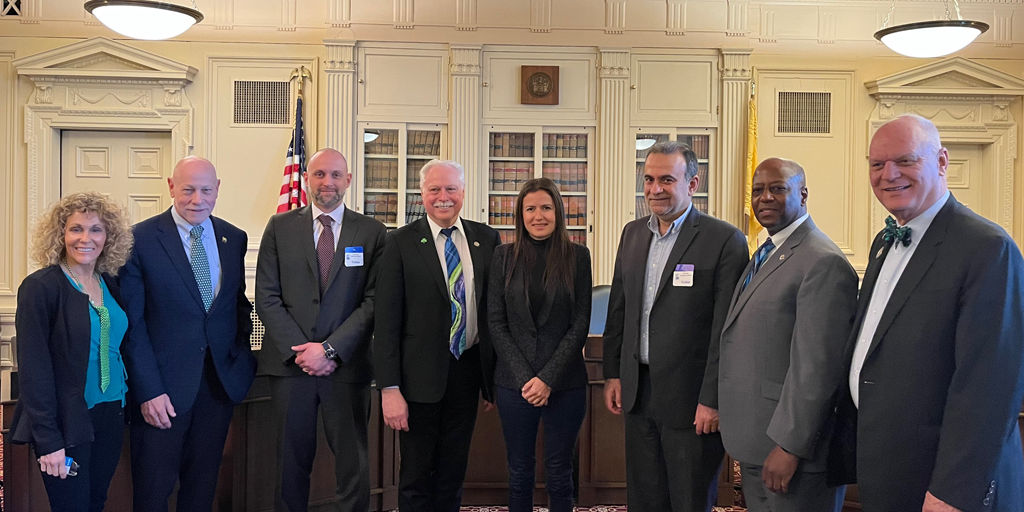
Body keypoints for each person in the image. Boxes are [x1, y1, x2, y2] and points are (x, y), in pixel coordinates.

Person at [832, 114, 1024, 511]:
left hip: (942, 481)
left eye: (905, 161)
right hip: (887, 464)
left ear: (941, 161)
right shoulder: (885, 242)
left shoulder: (987, 248)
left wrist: (952, 491)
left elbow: (990, 387)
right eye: (877, 164)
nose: (889, 174)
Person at [603, 140, 748, 512]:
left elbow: (726, 331)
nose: (655, 189)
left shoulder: (724, 240)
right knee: (645, 499)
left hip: (692, 401)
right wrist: (613, 374)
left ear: (693, 184)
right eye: (649, 179)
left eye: (666, 179)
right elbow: (620, 309)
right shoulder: (632, 234)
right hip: (638, 393)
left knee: (688, 501)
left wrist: (712, 399)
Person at [716, 158, 857, 512]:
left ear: (803, 194)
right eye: (758, 190)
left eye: (777, 188)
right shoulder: (766, 252)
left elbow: (817, 368)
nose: (765, 197)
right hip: (756, 437)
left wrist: (791, 446)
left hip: (792, 450)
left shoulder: (822, 261)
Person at [119, 156, 255, 511]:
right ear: (170, 187)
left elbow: (237, 306)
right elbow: (132, 325)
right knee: (153, 492)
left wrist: (239, 361)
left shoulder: (232, 237)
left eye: (206, 190)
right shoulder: (139, 240)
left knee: (202, 489)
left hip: (217, 387)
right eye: (188, 190)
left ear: (218, 189)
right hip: (162, 393)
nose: (198, 200)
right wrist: (149, 390)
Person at [256, 147, 386, 511]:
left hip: (346, 368)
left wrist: (329, 350)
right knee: (289, 466)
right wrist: (304, 351)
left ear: (347, 180)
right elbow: (266, 296)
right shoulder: (279, 227)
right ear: (307, 179)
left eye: (334, 175)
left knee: (352, 465)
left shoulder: (373, 232)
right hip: (290, 368)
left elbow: (374, 301)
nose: (327, 182)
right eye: (319, 174)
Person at [374, 159, 501, 511]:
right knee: (415, 474)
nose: (443, 197)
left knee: (453, 470)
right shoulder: (399, 242)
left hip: (467, 371)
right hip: (416, 382)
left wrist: (491, 381)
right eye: (435, 190)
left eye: (451, 189)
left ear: (463, 193)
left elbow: (493, 313)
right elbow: (386, 322)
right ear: (422, 194)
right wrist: (389, 389)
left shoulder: (486, 239)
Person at [10, 192, 133, 512]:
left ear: (108, 237)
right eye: (76, 229)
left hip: (111, 413)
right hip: (66, 420)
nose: (85, 238)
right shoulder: (41, 287)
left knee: (96, 501)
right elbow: (34, 370)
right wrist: (49, 441)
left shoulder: (109, 282)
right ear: (60, 235)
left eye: (96, 230)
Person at [487, 177, 593, 512]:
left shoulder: (577, 257)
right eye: (530, 208)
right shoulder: (503, 257)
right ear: (520, 214)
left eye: (545, 208)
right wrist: (525, 378)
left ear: (558, 212)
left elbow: (580, 324)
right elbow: (496, 323)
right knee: (519, 472)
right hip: (513, 383)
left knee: (560, 472)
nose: (538, 216)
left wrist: (547, 378)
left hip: (565, 383)